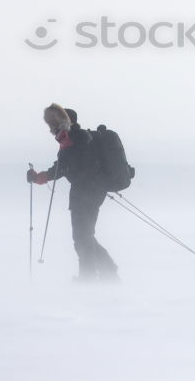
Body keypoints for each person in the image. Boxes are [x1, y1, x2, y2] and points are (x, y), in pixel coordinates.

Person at [28, 103, 119, 281]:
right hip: (86, 193)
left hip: (87, 194)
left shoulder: (76, 138)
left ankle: (91, 277)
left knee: (82, 237)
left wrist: (41, 177)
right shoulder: (71, 139)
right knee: (84, 236)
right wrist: (40, 177)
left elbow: (66, 167)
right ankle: (105, 272)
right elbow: (63, 166)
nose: (51, 130)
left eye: (53, 124)